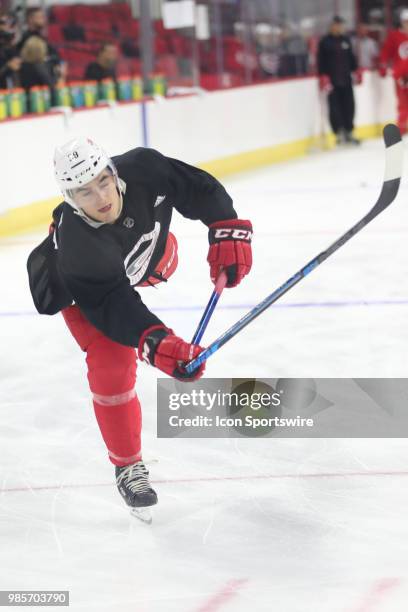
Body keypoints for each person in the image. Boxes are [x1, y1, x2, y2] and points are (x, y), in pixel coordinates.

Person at [27, 138, 253, 518]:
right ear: (70, 198)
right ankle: (128, 465)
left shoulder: (145, 168)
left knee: (165, 257)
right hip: (86, 294)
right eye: (84, 191)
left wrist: (226, 227)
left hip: (133, 258)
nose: (101, 197)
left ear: (113, 172)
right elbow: (116, 307)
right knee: (112, 366)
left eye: (102, 181)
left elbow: (198, 187)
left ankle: (147, 264)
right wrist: (159, 343)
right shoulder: (79, 248)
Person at [318, 16, 362, 145]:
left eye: (341, 25)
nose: (339, 27)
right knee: (335, 108)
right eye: (337, 25)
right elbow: (321, 60)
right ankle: (338, 132)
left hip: (346, 79)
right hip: (332, 81)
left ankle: (349, 131)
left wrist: (356, 70)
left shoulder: (346, 40)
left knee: (349, 106)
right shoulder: (325, 42)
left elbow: (351, 58)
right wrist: (323, 76)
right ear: (332, 26)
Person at [379, 8, 408, 134]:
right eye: (405, 21)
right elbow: (386, 52)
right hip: (401, 75)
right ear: (401, 22)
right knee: (403, 102)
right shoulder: (394, 36)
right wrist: (383, 65)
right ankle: (401, 126)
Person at [0, 11, 21, 89]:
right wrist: (8, 67)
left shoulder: (14, 47)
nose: (7, 26)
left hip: (15, 94)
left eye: (9, 22)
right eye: (2, 23)